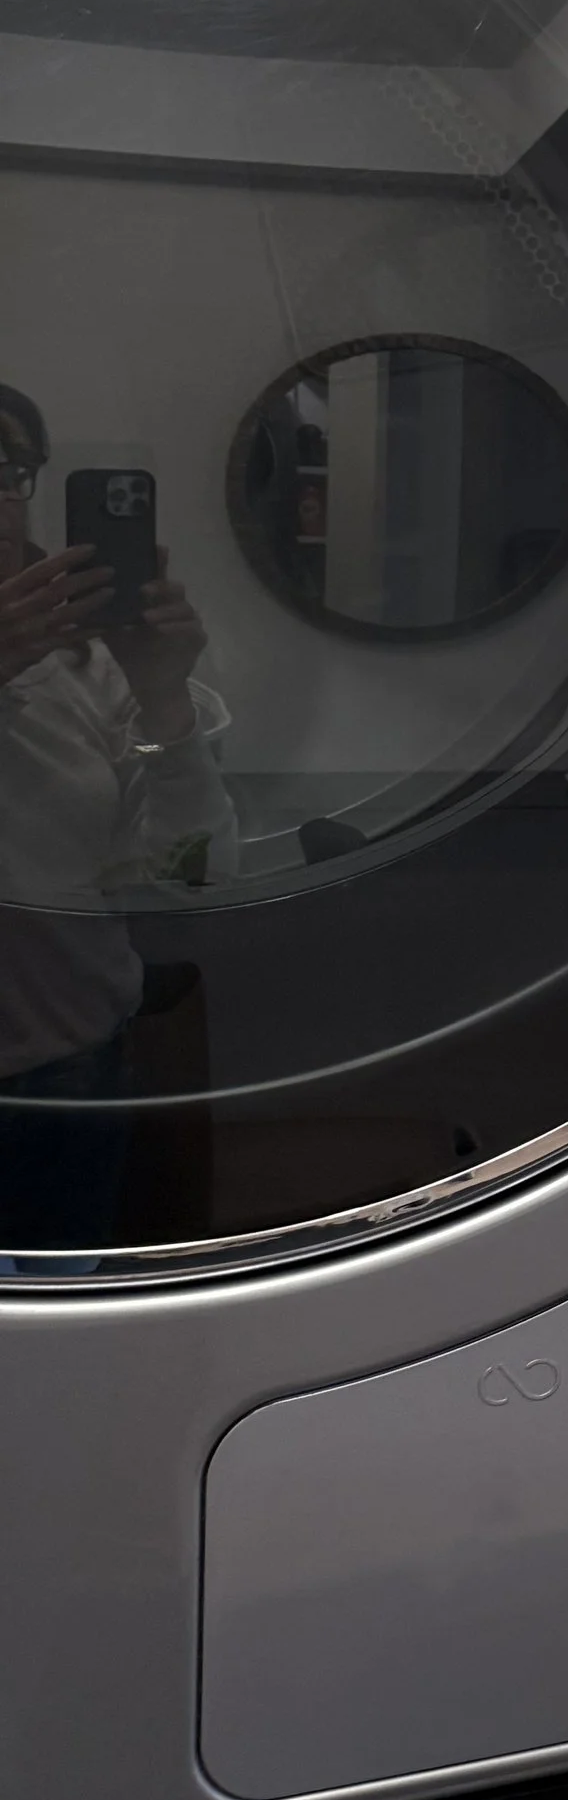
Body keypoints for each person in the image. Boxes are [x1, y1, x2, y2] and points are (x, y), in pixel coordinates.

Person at [0, 384, 235, 1251]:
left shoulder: (92, 671)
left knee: (63, 1360)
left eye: (5, 465)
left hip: (71, 1076)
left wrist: (165, 698)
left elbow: (189, 873)